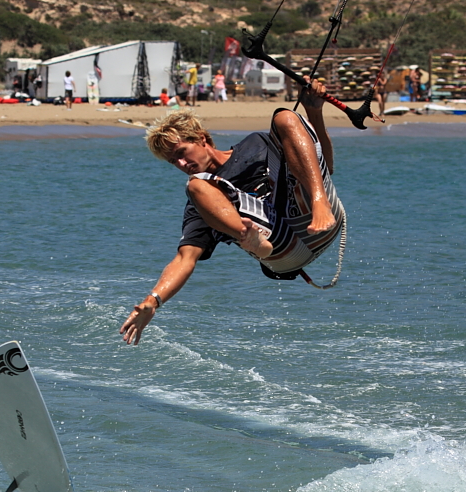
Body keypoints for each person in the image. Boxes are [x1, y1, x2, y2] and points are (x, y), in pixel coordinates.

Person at [120, 80, 345, 345]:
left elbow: (323, 167)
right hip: (282, 250)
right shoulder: (201, 198)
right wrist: (153, 300)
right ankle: (249, 237)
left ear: (202, 139)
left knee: (284, 117)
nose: (181, 164)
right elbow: (184, 259)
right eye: (173, 162)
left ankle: (318, 204)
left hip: (314, 213)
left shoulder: (256, 143)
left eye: (181, 153)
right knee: (197, 185)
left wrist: (314, 112)